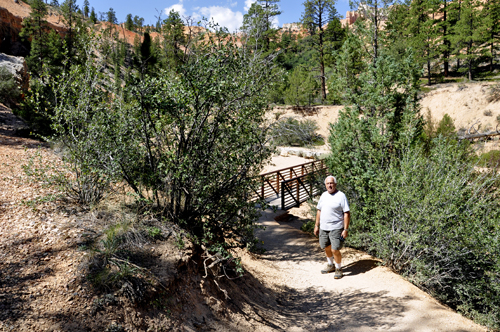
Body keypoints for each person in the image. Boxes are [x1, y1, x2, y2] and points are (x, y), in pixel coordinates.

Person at [314, 175, 350, 278]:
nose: (330, 185)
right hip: (324, 227)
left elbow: (346, 213)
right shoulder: (323, 195)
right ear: (325, 185)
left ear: (335, 184)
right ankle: (331, 265)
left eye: (331, 183)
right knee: (326, 247)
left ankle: (339, 268)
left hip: (336, 227)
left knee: (335, 249)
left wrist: (345, 229)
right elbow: (319, 210)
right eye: (327, 183)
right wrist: (316, 225)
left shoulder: (341, 196)